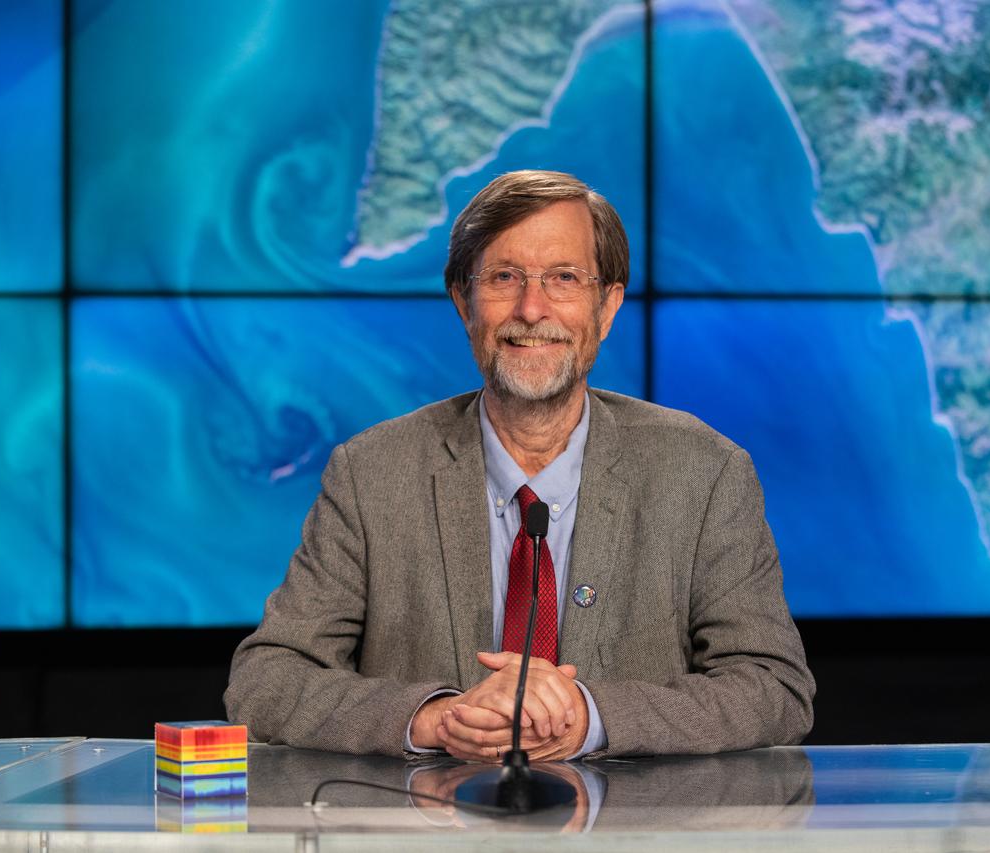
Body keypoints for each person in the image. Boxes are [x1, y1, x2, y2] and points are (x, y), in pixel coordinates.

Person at [225, 170, 814, 760]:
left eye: (564, 278)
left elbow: (773, 687)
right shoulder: (371, 472)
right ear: (464, 302)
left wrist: (588, 717)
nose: (532, 310)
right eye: (504, 277)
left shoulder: (705, 472)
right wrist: (437, 719)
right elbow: (267, 680)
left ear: (607, 307)